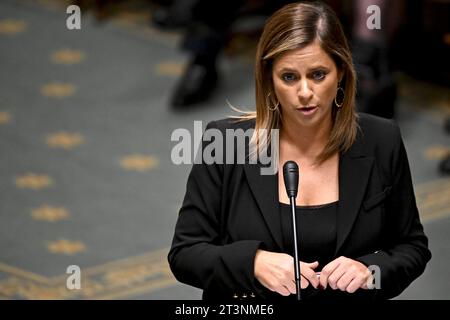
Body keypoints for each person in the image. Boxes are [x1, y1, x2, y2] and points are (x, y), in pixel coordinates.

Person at [168, 2, 431, 301]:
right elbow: (185, 254)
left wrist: (370, 271)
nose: (305, 92)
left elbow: (411, 248)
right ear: (269, 79)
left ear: (342, 72)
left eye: (318, 75)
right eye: (289, 77)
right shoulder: (225, 142)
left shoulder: (382, 140)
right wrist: (253, 263)